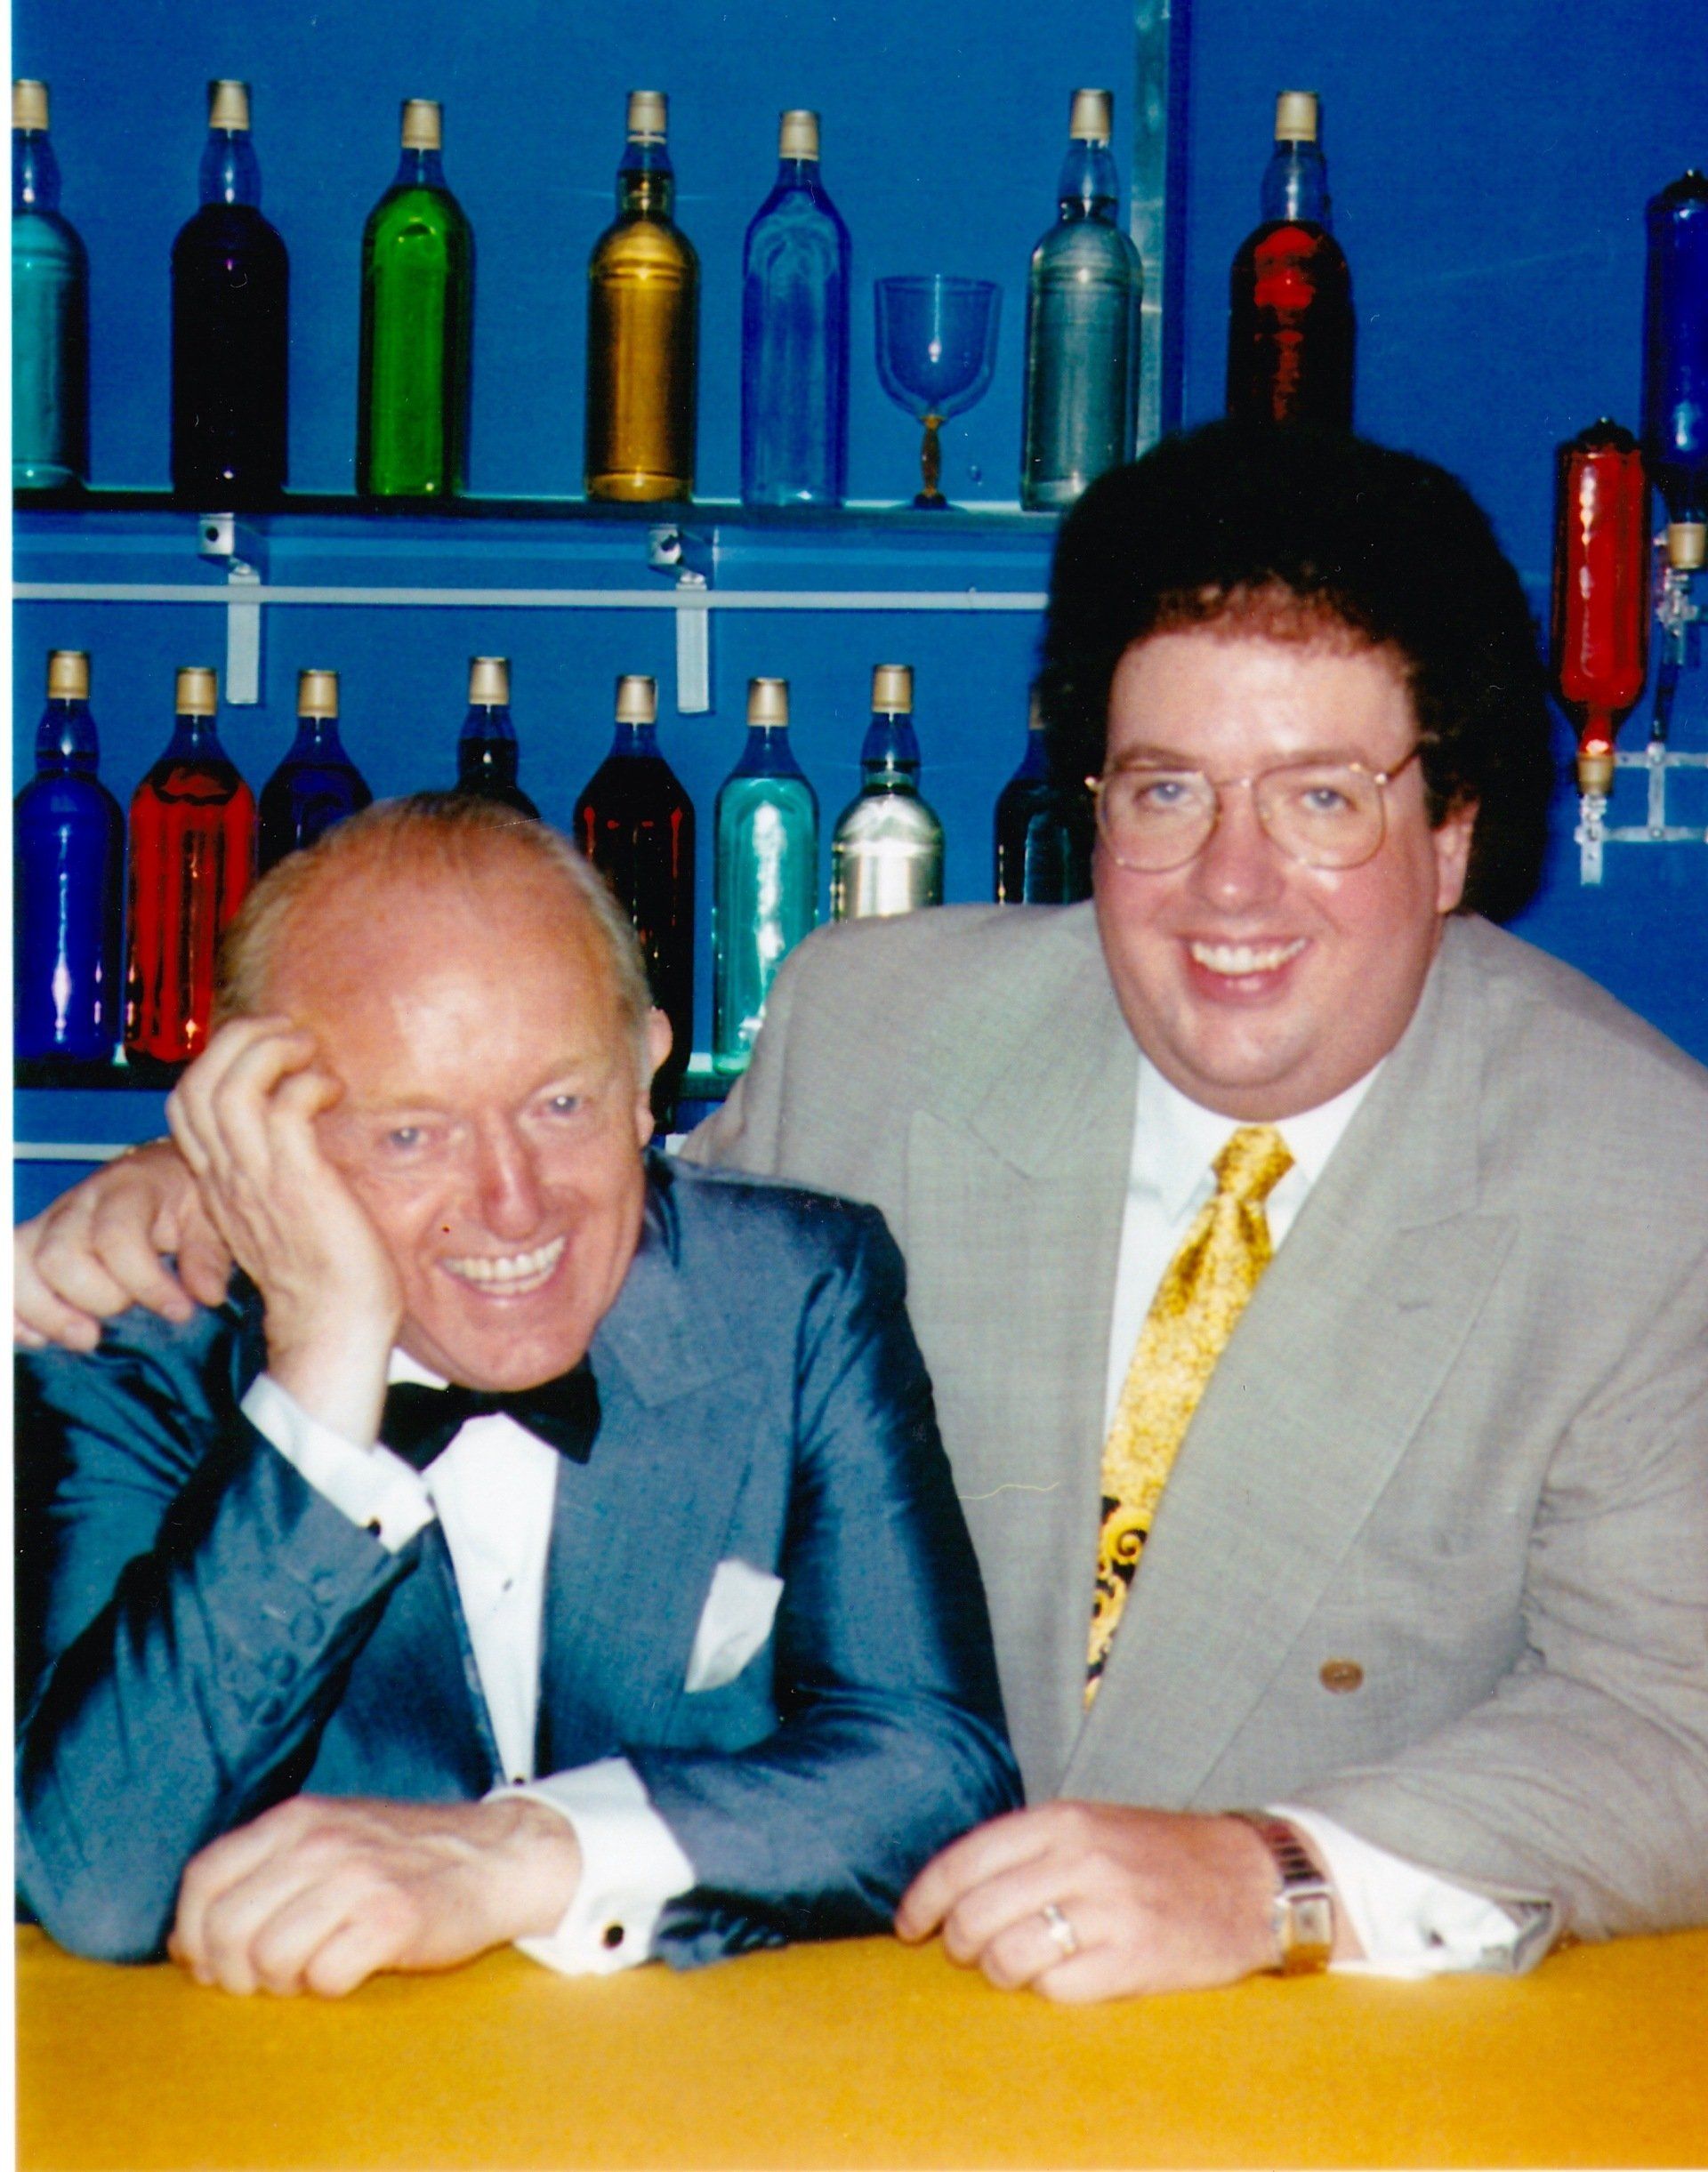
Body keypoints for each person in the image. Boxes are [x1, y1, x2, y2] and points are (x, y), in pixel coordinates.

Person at [20, 425, 1708, 2003]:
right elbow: (565, 1214)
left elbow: (1672, 1722)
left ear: (1453, 830)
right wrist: (225, 1185)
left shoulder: (1640, 1171)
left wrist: (1279, 1874)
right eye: (1166, 790)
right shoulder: (879, 1026)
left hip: (1304, 2067)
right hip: (833, 2036)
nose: (1231, 882)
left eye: (1322, 797)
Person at [14, 794, 1019, 1996]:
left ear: (646, 1078)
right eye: (411, 1134)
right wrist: (325, 1368)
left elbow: (937, 1772)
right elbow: (98, 1881)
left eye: (560, 1105)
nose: (513, 1202)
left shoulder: (794, 1290)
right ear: (262, 1138)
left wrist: (523, 1856)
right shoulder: (136, 1346)